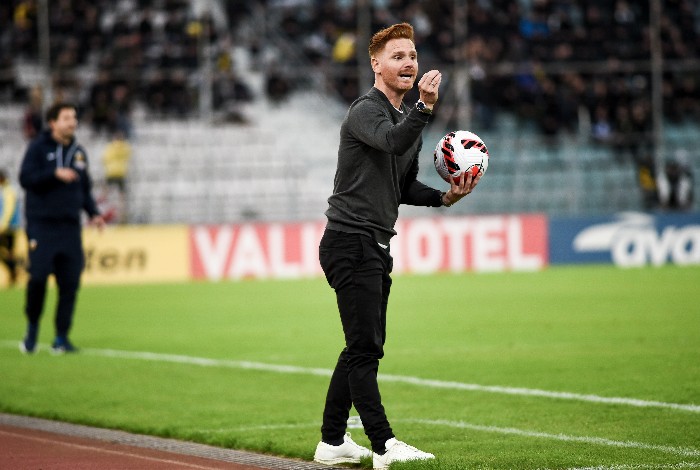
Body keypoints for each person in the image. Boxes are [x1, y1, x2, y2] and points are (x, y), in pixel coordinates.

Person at [313, 23, 481, 469]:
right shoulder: (365, 111)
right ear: (376, 64)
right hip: (350, 241)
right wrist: (424, 107)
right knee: (365, 349)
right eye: (398, 56)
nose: (409, 63)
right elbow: (392, 141)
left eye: (412, 56)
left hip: (372, 243)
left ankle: (332, 442)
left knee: (361, 345)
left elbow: (402, 184)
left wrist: (445, 197)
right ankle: (384, 445)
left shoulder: (409, 121)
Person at [18, 102, 105, 354]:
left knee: (70, 283)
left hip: (70, 228)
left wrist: (94, 213)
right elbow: (25, 178)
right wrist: (54, 174)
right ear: (53, 122)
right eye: (66, 118)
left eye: (74, 117)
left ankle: (61, 338)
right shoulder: (37, 148)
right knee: (38, 278)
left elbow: (84, 189)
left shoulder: (79, 153)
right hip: (42, 226)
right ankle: (32, 327)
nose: (72, 122)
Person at [0, 169, 20, 287]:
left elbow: (8, 211)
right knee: (8, 253)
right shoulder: (5, 190)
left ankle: (15, 272)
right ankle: (14, 273)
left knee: (8, 253)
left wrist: (2, 226)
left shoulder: (8, 191)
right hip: (7, 227)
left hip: (8, 229)